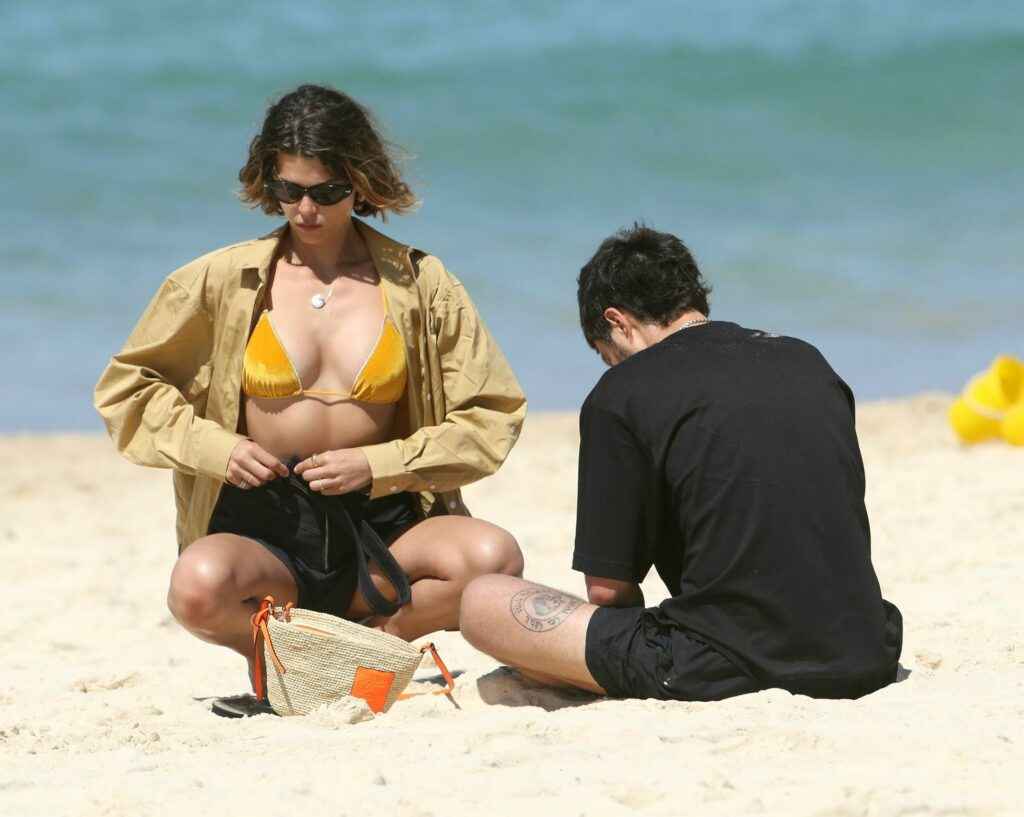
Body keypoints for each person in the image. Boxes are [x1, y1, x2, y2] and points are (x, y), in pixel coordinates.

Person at [94, 84, 526, 716]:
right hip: (263, 520)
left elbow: (491, 415)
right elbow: (128, 387)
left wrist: (377, 464)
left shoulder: (419, 282)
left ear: (361, 182)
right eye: (288, 190)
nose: (305, 209)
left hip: (382, 519)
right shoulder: (222, 279)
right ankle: (280, 656)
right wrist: (218, 449)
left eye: (326, 192)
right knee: (196, 589)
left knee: (493, 559)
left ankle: (374, 647)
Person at [460, 224, 902, 701]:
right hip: (865, 649)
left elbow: (608, 593)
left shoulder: (622, 393)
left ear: (617, 322)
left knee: (483, 600)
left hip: (732, 659)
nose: (613, 368)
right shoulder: (807, 360)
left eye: (607, 356)